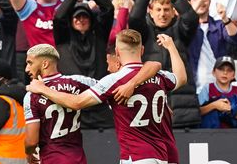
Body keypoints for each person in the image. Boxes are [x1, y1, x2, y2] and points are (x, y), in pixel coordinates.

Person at [26, 30, 187, 164]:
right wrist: (171, 47)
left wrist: (43, 89)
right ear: (142, 50)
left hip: (136, 156)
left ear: (117, 53)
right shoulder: (159, 75)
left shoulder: (114, 80)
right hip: (162, 155)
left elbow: (76, 103)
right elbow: (181, 78)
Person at [23, 44, 96, 163]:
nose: (26, 69)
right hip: (78, 159)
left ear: (45, 64)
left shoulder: (32, 95)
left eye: (30, 63)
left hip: (52, 158)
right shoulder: (78, 81)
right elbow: (110, 88)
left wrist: (29, 152)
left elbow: (32, 141)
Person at [198, 56, 237, 128]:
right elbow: (197, 112)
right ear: (213, 72)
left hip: (234, 134)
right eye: (221, 69)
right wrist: (214, 105)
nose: (225, 73)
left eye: (229, 70)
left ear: (233, 75)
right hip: (211, 133)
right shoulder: (207, 88)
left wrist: (231, 111)